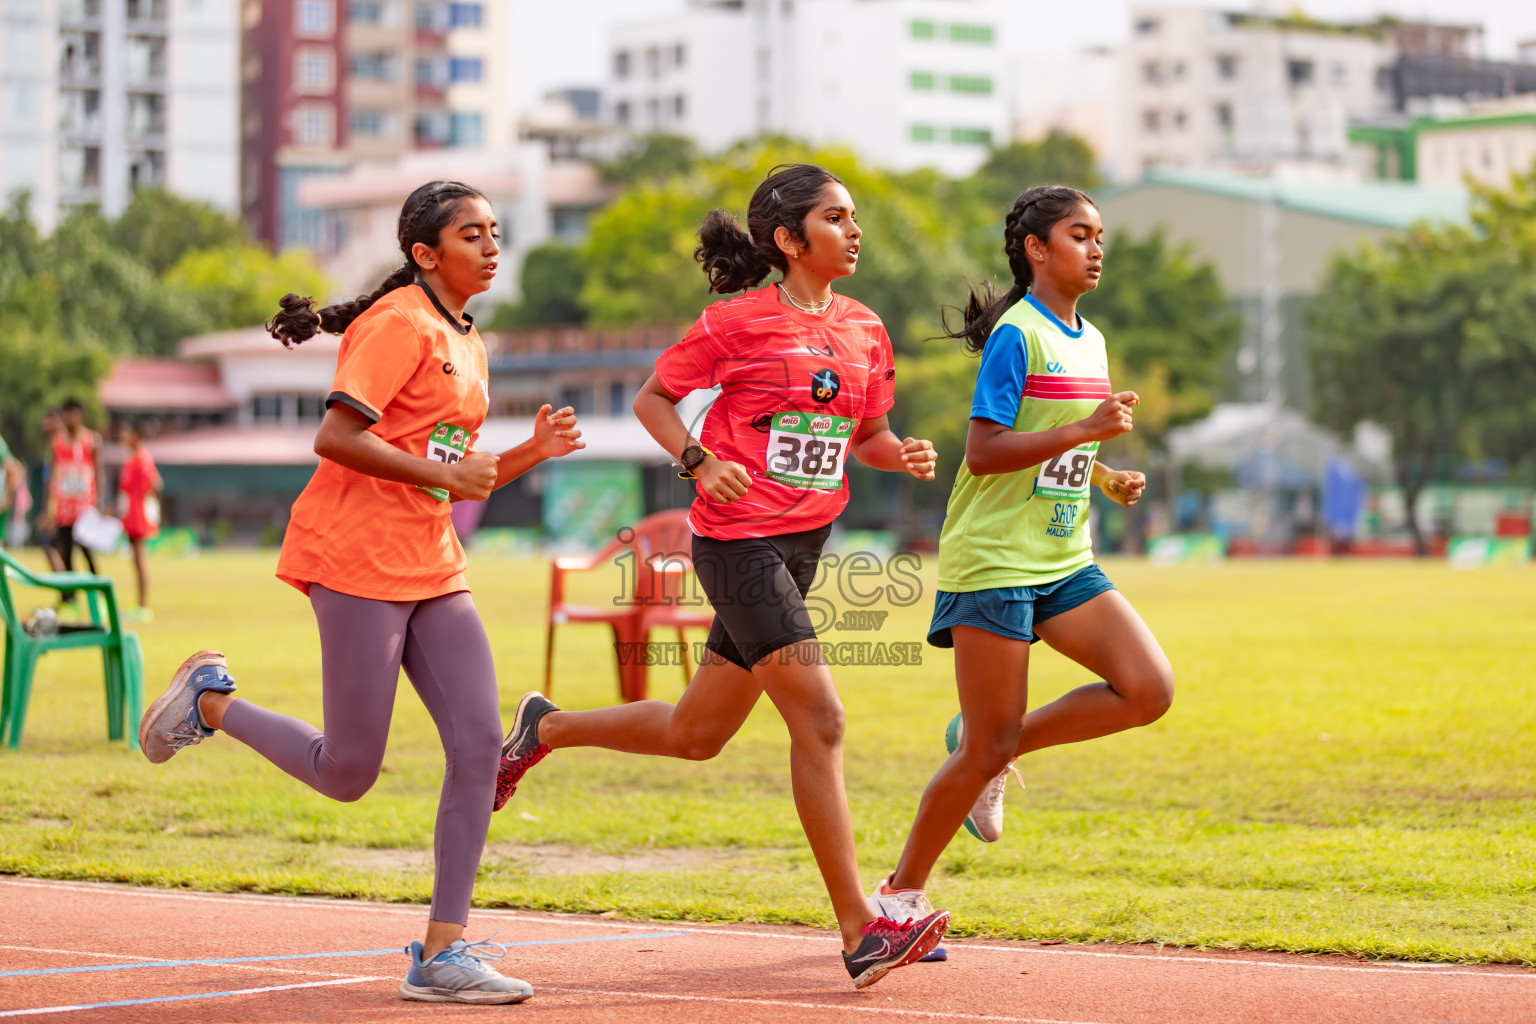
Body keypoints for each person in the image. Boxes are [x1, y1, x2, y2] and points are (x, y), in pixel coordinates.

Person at [492, 163, 949, 989]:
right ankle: (861, 929)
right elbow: (652, 400)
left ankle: (544, 728)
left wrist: (900, 455)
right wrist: (698, 461)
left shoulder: (866, 328)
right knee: (822, 718)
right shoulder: (733, 323)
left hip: (805, 544)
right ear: (788, 239)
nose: (855, 231)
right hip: (737, 543)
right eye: (838, 218)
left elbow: (868, 435)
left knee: (695, 736)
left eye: (854, 218)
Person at [137, 180, 585, 1005]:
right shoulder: (395, 325)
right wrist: (446, 471)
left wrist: (530, 454)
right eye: (472, 235)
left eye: (495, 232)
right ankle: (210, 703)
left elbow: (452, 477)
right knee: (348, 772)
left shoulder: (469, 340)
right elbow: (337, 437)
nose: (492, 247)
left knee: (481, 747)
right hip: (354, 559)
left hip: (432, 561)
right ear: (425, 253)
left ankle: (442, 954)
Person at [868, 185, 1174, 924]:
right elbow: (985, 451)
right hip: (995, 562)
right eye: (1079, 235)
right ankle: (897, 896)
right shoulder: (1018, 334)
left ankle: (989, 748)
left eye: (1099, 236)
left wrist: (1105, 473)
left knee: (1147, 689)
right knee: (989, 742)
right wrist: (1084, 434)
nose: (1096, 249)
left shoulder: (1090, 339)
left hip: (1064, 555)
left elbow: (1056, 436)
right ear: (1038, 250)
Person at [48, 400, 102, 604]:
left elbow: (99, 470)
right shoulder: (57, 442)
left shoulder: (91, 440)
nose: (70, 419)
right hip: (64, 506)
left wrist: (100, 501)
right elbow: (52, 475)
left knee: (87, 550)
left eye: (73, 414)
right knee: (66, 551)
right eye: (66, 414)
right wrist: (49, 506)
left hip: (84, 505)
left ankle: (98, 594)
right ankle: (70, 599)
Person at [115, 421, 162, 621]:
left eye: (127, 432)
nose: (123, 436)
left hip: (138, 516)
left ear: (136, 435)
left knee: (139, 559)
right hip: (131, 514)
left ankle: (143, 606)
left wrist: (146, 504)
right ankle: (140, 604)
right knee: (135, 560)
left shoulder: (142, 458)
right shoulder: (132, 459)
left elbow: (155, 483)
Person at [34, 410, 66, 572]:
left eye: (49, 420)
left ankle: (68, 591)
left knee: (51, 546)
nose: (44, 424)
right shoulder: (52, 444)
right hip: (55, 505)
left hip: (61, 507)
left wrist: (49, 512)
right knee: (54, 547)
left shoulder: (62, 445)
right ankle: (66, 593)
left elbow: (56, 481)